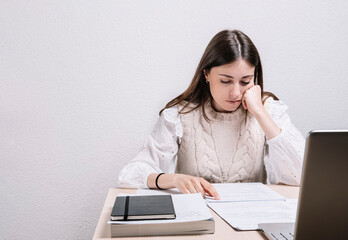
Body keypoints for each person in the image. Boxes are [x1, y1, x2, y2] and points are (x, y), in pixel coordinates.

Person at [118, 29, 305, 200]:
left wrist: (260, 113)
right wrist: (173, 179)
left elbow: (301, 174)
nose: (235, 93)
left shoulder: (269, 110)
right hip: (199, 221)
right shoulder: (180, 115)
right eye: (226, 81)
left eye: (245, 81)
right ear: (206, 74)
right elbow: (130, 174)